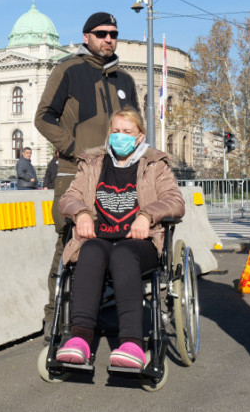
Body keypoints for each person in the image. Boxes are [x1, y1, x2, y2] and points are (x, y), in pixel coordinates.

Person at [34, 11, 139, 335]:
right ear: (87, 37)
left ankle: (115, 314)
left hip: (118, 174)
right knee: (69, 239)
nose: (109, 38)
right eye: (102, 33)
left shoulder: (125, 80)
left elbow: (136, 127)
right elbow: (43, 117)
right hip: (74, 172)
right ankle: (55, 320)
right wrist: (72, 146)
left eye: (113, 33)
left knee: (120, 238)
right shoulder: (68, 70)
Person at [54, 109, 184, 368]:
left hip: (140, 242)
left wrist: (147, 215)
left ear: (139, 136)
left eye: (127, 132)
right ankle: (79, 340)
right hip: (100, 237)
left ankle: (131, 343)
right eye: (115, 131)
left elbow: (175, 202)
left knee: (123, 254)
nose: (120, 136)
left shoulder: (155, 165)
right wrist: (80, 213)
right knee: (89, 250)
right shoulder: (92, 163)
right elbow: (68, 197)